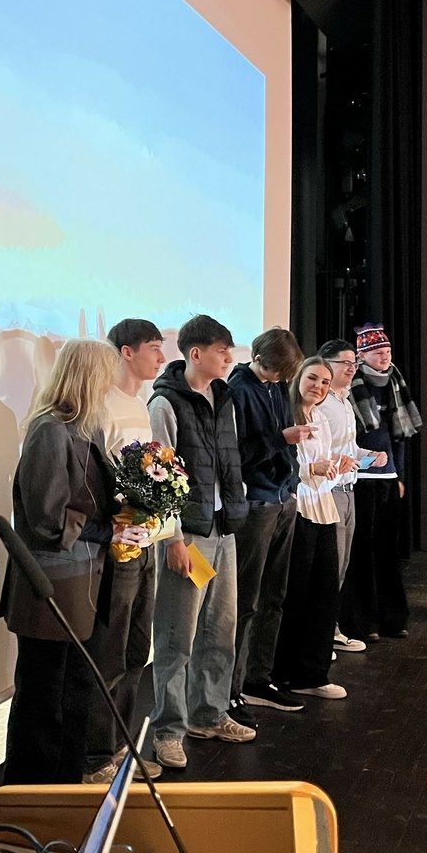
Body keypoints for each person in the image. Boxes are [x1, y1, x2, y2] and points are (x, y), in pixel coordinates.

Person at [2, 338, 144, 785]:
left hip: (84, 581)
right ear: (89, 376)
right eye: (106, 375)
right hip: (52, 586)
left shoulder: (86, 428)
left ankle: (64, 789)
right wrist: (108, 531)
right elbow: (47, 516)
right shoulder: (49, 429)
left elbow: (90, 499)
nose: (111, 385)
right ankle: (33, 796)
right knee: (44, 699)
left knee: (75, 692)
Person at [146, 315, 252, 770]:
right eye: (222, 350)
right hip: (187, 534)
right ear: (196, 353)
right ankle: (167, 731)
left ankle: (209, 714)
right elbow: (158, 476)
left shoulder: (223, 398)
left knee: (220, 629)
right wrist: (172, 537)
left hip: (222, 530)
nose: (229, 358)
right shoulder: (165, 403)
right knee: (177, 636)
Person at [83, 319, 166, 784]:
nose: (161, 357)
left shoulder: (139, 403)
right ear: (126, 352)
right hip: (117, 548)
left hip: (146, 542)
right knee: (110, 654)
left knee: (137, 652)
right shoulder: (102, 405)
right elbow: (99, 477)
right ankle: (96, 756)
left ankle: (121, 747)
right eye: (153, 348)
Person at [227, 327, 307, 714]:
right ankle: (233, 686)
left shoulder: (276, 387)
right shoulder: (238, 390)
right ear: (259, 359)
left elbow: (282, 442)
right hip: (256, 503)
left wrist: (291, 482)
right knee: (246, 600)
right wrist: (282, 440)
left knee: (274, 595)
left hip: (281, 498)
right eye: (276, 372)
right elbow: (237, 454)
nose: (279, 379)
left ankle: (259, 677)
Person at [341, 324, 421, 641]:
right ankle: (363, 622)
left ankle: (392, 618)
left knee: (388, 551)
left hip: (387, 478)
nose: (385, 358)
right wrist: (364, 463)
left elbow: (399, 437)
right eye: (377, 353)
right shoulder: (352, 386)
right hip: (360, 477)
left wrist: (398, 474)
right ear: (362, 356)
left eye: (387, 352)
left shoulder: (395, 383)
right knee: (362, 550)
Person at [273, 358, 347, 699]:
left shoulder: (320, 417)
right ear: (298, 378)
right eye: (313, 378)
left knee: (325, 592)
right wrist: (311, 469)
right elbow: (283, 465)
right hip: (297, 508)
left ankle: (313, 674)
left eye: (325, 382)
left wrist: (336, 467)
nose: (318, 386)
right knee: (295, 594)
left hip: (324, 508)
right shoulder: (284, 415)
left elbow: (323, 464)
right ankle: (284, 673)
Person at [316, 339, 387, 654]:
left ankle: (330, 630)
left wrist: (368, 454)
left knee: (342, 565)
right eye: (345, 363)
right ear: (326, 363)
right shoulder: (322, 403)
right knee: (329, 567)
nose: (351, 369)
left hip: (348, 489)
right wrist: (340, 460)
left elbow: (348, 448)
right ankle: (321, 635)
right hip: (328, 491)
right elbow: (316, 450)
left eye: (354, 363)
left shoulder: (344, 401)